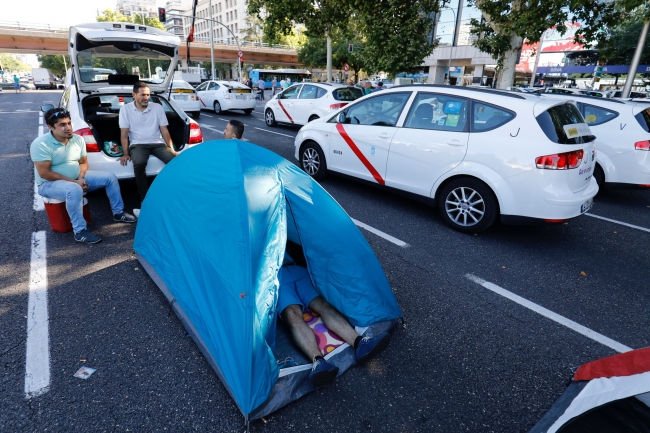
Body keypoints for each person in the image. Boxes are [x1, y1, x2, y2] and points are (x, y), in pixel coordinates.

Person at [278, 251, 391, 387]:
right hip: (273, 278)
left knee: (323, 305)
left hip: (296, 269)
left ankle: (360, 343)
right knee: (292, 315)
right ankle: (318, 361)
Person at [31, 108, 137, 244]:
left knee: (110, 177)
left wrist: (80, 178)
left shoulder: (78, 139)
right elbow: (45, 173)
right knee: (74, 189)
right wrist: (75, 183)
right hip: (49, 184)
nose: (68, 128)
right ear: (50, 127)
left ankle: (118, 212)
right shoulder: (41, 144)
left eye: (69, 123)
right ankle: (80, 231)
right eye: (62, 125)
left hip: (76, 179)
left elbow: (83, 163)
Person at [118, 81, 177, 217]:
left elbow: (164, 130)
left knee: (174, 162)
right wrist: (125, 153)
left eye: (148, 95)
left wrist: (171, 148)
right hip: (137, 144)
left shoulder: (157, 107)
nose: (146, 98)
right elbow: (124, 134)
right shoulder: (125, 109)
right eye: (143, 95)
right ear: (134, 95)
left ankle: (173, 194)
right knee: (139, 162)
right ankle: (144, 198)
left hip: (157, 143)